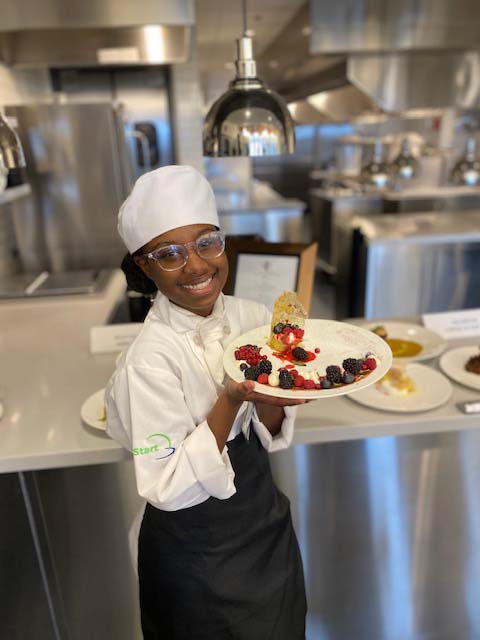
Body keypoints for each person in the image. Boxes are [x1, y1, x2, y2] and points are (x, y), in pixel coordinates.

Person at [105, 165, 307, 639]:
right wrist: (230, 398)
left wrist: (275, 398)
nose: (196, 265)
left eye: (206, 242)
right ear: (144, 266)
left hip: (265, 528)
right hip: (194, 557)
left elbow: (268, 432)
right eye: (169, 254)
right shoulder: (147, 362)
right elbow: (170, 487)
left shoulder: (252, 316)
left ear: (223, 243)